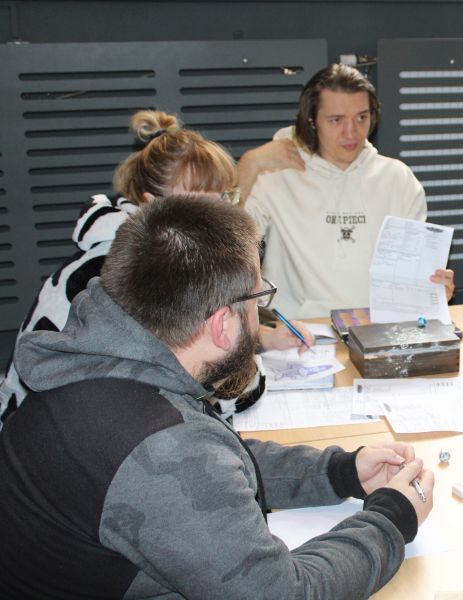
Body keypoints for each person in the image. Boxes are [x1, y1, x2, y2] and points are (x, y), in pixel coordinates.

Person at [0, 194, 435, 598]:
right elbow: (285, 592)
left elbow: (212, 463)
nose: (259, 315)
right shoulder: (160, 445)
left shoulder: (104, 364)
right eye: (258, 300)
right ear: (222, 324)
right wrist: (392, 518)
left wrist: (339, 472)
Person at [0, 110, 312, 427]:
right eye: (197, 207)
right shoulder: (137, 271)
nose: (216, 218)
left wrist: (263, 339)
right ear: (153, 203)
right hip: (44, 428)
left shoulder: (142, 245)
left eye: (221, 199)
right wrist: (246, 366)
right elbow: (217, 390)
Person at [241, 63, 454, 319]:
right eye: (337, 120)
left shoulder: (398, 179)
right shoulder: (276, 174)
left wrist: (431, 291)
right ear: (311, 121)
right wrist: (248, 165)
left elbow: (410, 273)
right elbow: (227, 246)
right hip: (300, 330)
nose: (351, 132)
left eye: (361, 117)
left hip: (377, 326)